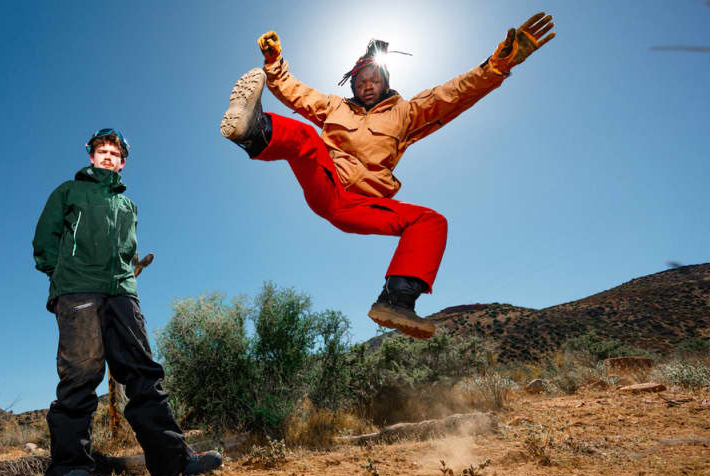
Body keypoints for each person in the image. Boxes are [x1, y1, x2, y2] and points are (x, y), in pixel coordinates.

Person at [220, 14, 556, 339]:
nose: (368, 86)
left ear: (385, 83)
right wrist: (275, 61)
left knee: (430, 221)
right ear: (353, 85)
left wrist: (496, 66)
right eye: (362, 82)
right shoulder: (335, 107)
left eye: (374, 81)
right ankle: (251, 129)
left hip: (364, 204)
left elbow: (453, 94)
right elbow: (296, 92)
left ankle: (396, 303)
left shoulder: (406, 113)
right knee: (306, 139)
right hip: (328, 183)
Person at [32, 128, 222, 476]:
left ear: (122, 162)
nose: (107, 156)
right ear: (91, 156)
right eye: (101, 151)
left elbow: (126, 252)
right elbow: (44, 241)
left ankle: (173, 461)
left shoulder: (128, 206)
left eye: (114, 153)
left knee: (144, 372)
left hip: (122, 292)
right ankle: (68, 470)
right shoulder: (68, 192)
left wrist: (124, 280)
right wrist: (65, 276)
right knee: (81, 375)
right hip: (78, 291)